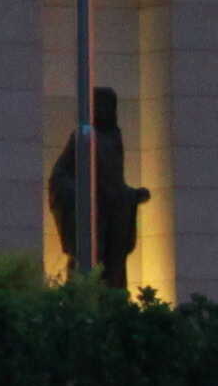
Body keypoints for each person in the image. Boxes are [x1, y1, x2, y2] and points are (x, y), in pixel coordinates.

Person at [45, 84, 149, 289]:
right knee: (88, 260)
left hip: (113, 214)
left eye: (109, 106)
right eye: (100, 106)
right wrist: (82, 195)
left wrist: (132, 195)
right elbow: (59, 176)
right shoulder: (83, 137)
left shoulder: (114, 138)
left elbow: (115, 182)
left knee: (113, 269)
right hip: (92, 217)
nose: (104, 111)